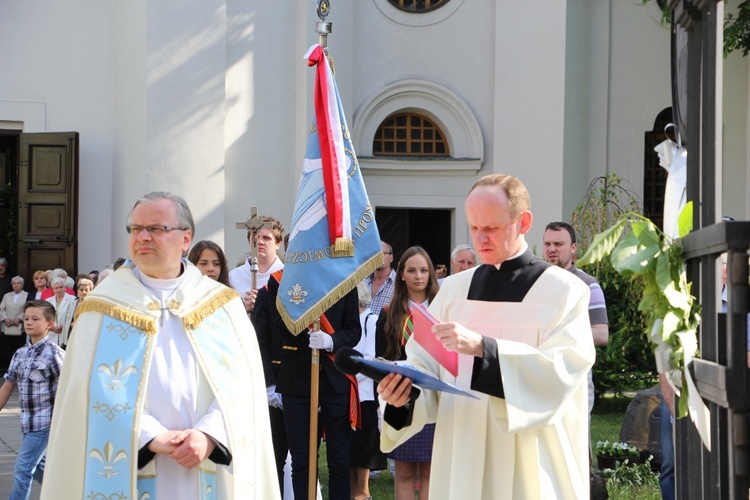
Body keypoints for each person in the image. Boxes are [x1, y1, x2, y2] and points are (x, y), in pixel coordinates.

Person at [40, 192, 279, 500]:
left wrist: (209, 435)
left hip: (209, 463)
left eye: (156, 228)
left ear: (185, 238)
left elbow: (243, 385)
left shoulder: (221, 306)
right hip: (133, 466)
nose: (143, 236)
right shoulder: (101, 307)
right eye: (135, 228)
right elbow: (86, 390)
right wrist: (149, 435)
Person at [377, 174, 595, 498]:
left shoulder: (563, 291)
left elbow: (564, 371)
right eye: (474, 227)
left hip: (530, 462)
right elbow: (425, 366)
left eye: (491, 228)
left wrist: (484, 348)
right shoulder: (452, 291)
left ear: (523, 222)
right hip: (461, 451)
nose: (480, 239)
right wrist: (402, 395)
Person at [255, 264, 361, 499]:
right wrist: (306, 323)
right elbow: (283, 329)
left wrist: (331, 340)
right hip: (297, 381)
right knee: (301, 462)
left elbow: (353, 331)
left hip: (336, 380)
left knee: (339, 461)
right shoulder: (281, 281)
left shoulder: (344, 277)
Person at [375, 246, 439, 500]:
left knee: (430, 470)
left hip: (436, 398)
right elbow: (381, 361)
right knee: (403, 471)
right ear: (401, 274)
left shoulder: (442, 310)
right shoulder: (390, 315)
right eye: (411, 270)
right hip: (402, 398)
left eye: (424, 270)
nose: (418, 276)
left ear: (431, 274)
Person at [0, 300, 64, 500]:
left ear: (50, 324)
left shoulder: (55, 353)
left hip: (46, 421)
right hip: (28, 422)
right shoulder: (20, 354)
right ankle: (66, 493)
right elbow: (8, 385)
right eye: (26, 318)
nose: (28, 322)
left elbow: (68, 388)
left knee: (23, 467)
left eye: (35, 319)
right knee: (37, 468)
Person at [543, 221, 609, 413]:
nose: (551, 249)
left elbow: (601, 334)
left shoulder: (588, 285)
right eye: (547, 244)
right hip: (539, 375)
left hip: (574, 378)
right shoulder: (534, 284)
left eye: (558, 244)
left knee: (576, 441)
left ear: (573, 248)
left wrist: (557, 334)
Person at [349, 282, 387, 500]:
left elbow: (371, 359)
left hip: (364, 394)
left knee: (363, 447)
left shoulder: (371, 320)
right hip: (346, 393)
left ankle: (363, 493)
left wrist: (349, 377)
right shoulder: (347, 322)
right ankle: (352, 492)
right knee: (351, 448)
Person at [228, 216, 285, 314]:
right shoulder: (233, 277)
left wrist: (261, 305)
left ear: (278, 244)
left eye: (266, 238)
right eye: (255, 237)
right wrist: (243, 308)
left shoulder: (285, 276)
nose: (260, 242)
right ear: (248, 241)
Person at [0, 277, 29, 370]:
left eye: (18, 283)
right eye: (14, 283)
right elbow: (1, 308)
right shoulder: (7, 295)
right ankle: (7, 368)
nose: (16, 285)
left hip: (19, 326)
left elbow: (27, 308)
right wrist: (5, 319)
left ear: (22, 285)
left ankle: (18, 368)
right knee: (6, 348)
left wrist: (19, 318)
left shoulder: (26, 295)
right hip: (7, 326)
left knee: (18, 347)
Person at [365, 241, 395, 315]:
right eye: (375, 254)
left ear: (391, 257)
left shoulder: (399, 283)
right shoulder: (362, 283)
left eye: (382, 253)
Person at [45, 277, 77, 347]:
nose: (59, 290)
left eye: (61, 287)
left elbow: (75, 318)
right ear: (53, 289)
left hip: (66, 336)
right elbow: (44, 318)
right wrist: (51, 327)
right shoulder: (48, 301)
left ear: (65, 288)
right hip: (51, 335)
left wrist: (64, 327)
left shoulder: (73, 300)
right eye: (56, 288)